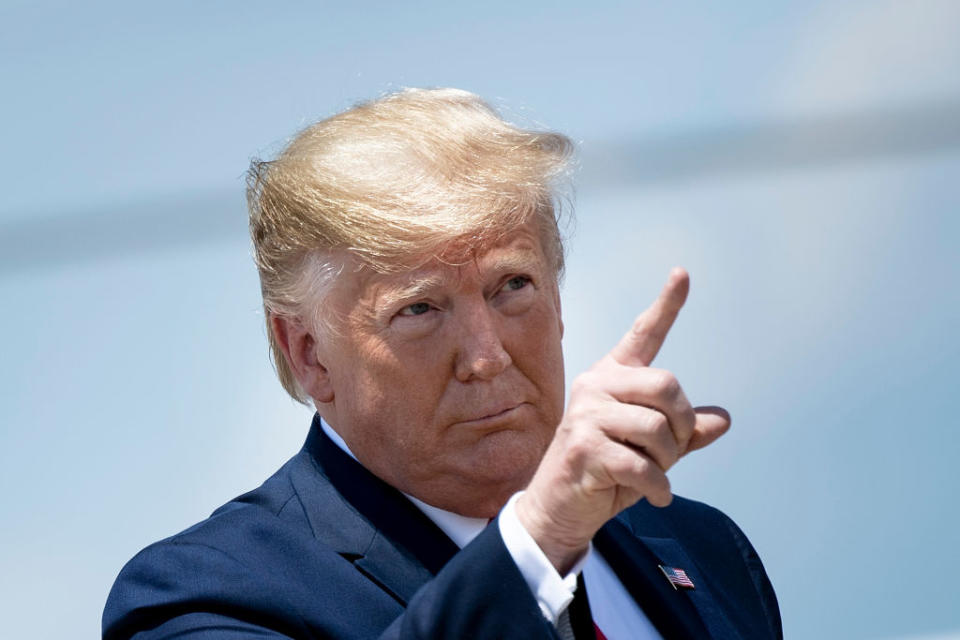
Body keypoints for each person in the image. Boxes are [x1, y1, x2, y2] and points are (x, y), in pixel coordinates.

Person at [103, 88, 782, 639]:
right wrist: (537, 542)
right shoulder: (204, 596)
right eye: (420, 310)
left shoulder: (702, 547)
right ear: (308, 353)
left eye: (513, 286)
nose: (487, 358)